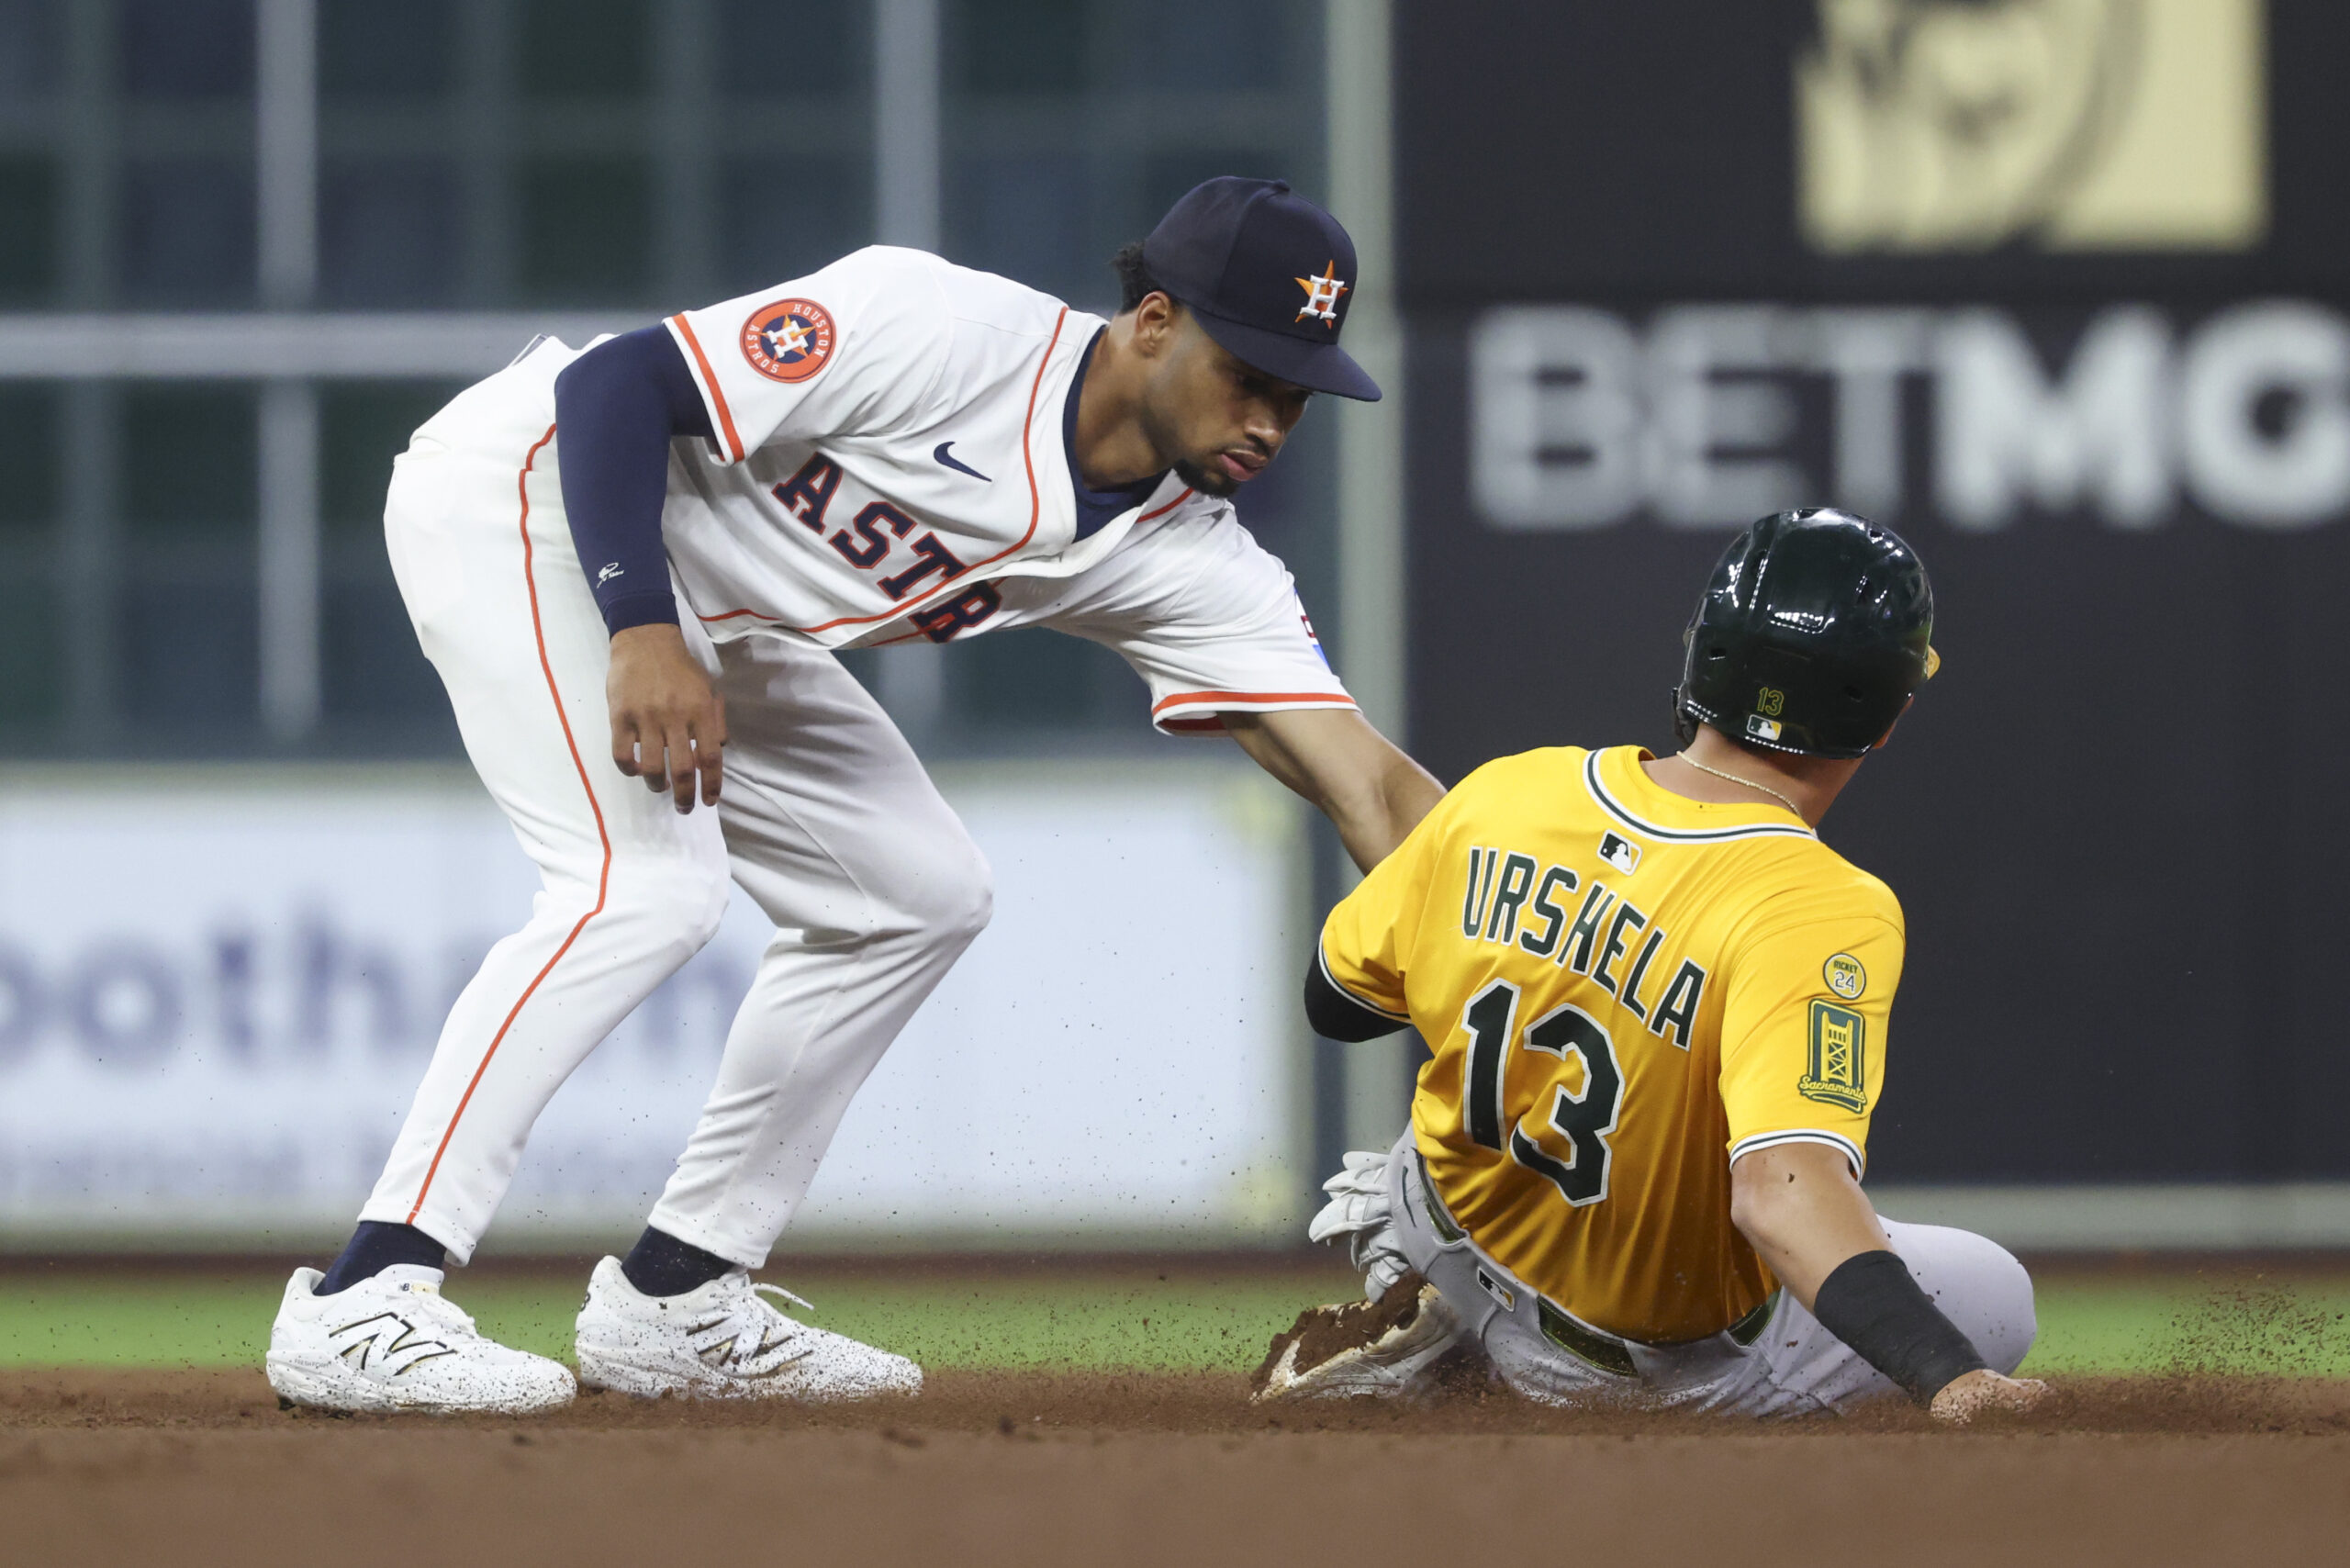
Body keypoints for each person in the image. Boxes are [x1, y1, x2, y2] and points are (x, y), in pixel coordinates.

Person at [263, 177, 1444, 1414]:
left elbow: (1367, 782)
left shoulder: (1193, 556)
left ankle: (680, 1297)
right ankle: (366, 1294)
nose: (1270, 416)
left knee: (918, 892)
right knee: (647, 886)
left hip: (717, 609)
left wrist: (1516, 953)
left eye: (1297, 393)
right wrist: (638, 627)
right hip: (535, 501)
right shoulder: (941, 330)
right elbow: (613, 385)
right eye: (1247, 372)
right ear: (1153, 321)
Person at [1254, 509, 2048, 1422]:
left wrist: (1545, 948)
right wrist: (1951, 1378)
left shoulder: (1514, 788)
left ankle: (1433, 1323)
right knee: (1994, 1294)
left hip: (1423, 1225)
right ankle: (1513, 1378)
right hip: (1609, 1365)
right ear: (1888, 711)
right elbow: (1781, 1196)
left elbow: (1336, 1002)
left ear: (1701, 655)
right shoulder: (1817, 901)